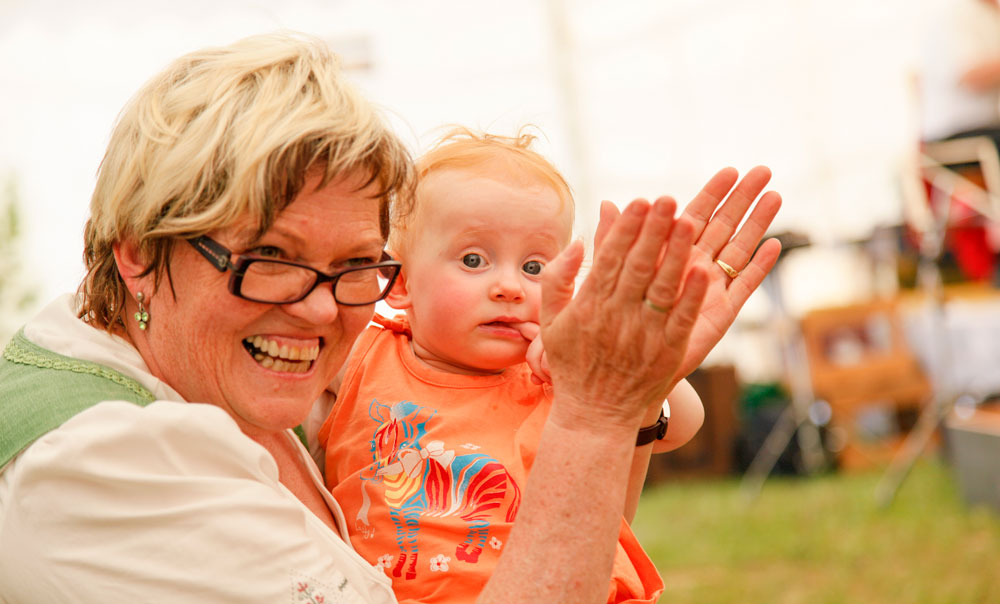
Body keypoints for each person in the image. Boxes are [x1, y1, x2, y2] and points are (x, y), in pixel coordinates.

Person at [0, 32, 781, 602]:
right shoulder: (103, 462)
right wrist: (595, 415)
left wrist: (622, 398)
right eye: (270, 256)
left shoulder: (193, 372)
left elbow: (600, 509)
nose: (316, 306)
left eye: (353, 266)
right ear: (139, 251)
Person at [317, 128, 706, 604]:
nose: (509, 286)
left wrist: (624, 358)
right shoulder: (362, 355)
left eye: (535, 267)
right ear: (398, 282)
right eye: (474, 259)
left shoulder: (561, 377)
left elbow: (682, 425)